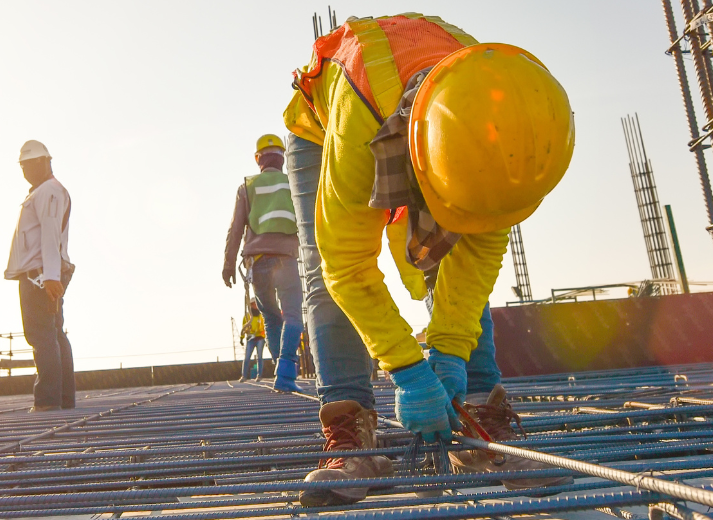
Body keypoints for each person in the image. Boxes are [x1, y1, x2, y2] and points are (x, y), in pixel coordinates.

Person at [281, 13, 577, 505]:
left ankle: (479, 414)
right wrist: (408, 369)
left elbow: (479, 253)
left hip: (431, 116)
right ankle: (352, 434)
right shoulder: (360, 128)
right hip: (329, 126)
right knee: (320, 269)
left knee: (456, 245)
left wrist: (450, 352)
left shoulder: (506, 120)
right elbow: (347, 265)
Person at [222, 134, 305, 393]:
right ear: (282, 158)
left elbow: (235, 229)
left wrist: (227, 265)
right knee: (292, 315)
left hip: (258, 263)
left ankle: (282, 374)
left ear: (258, 159)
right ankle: (286, 373)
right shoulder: (293, 184)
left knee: (271, 318)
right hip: (287, 260)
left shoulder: (247, 187)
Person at [5, 140, 75, 412]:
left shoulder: (49, 191)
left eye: (27, 165)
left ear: (42, 162)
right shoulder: (46, 192)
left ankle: (47, 401)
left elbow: (49, 234)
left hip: (40, 277)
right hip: (44, 273)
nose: (24, 171)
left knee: (42, 335)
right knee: (54, 334)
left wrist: (50, 277)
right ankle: (63, 400)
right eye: (21, 166)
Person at [240, 297, 266, 381]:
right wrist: (242, 338)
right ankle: (244, 376)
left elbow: (265, 327)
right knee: (247, 357)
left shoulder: (262, 315)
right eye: (253, 304)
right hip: (250, 338)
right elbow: (244, 327)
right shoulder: (247, 316)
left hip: (260, 338)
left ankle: (259, 375)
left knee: (259, 357)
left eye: (256, 303)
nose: (254, 305)